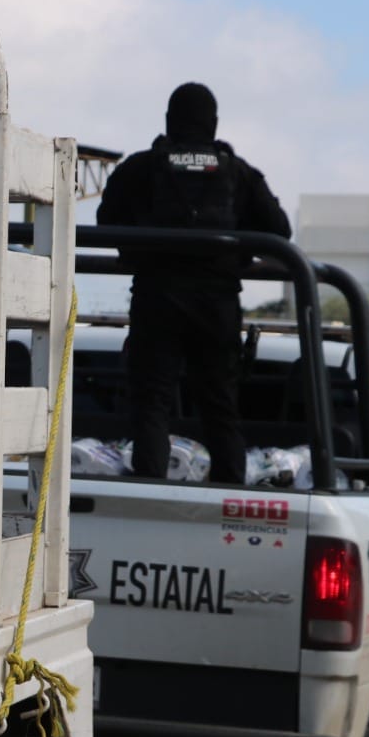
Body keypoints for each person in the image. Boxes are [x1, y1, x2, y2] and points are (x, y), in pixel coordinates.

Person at [96, 82, 291, 483]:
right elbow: (279, 230)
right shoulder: (238, 173)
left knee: (152, 402)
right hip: (217, 303)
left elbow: (106, 224)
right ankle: (229, 490)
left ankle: (150, 487)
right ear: (214, 125)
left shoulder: (139, 168)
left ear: (169, 121)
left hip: (156, 298)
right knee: (220, 404)